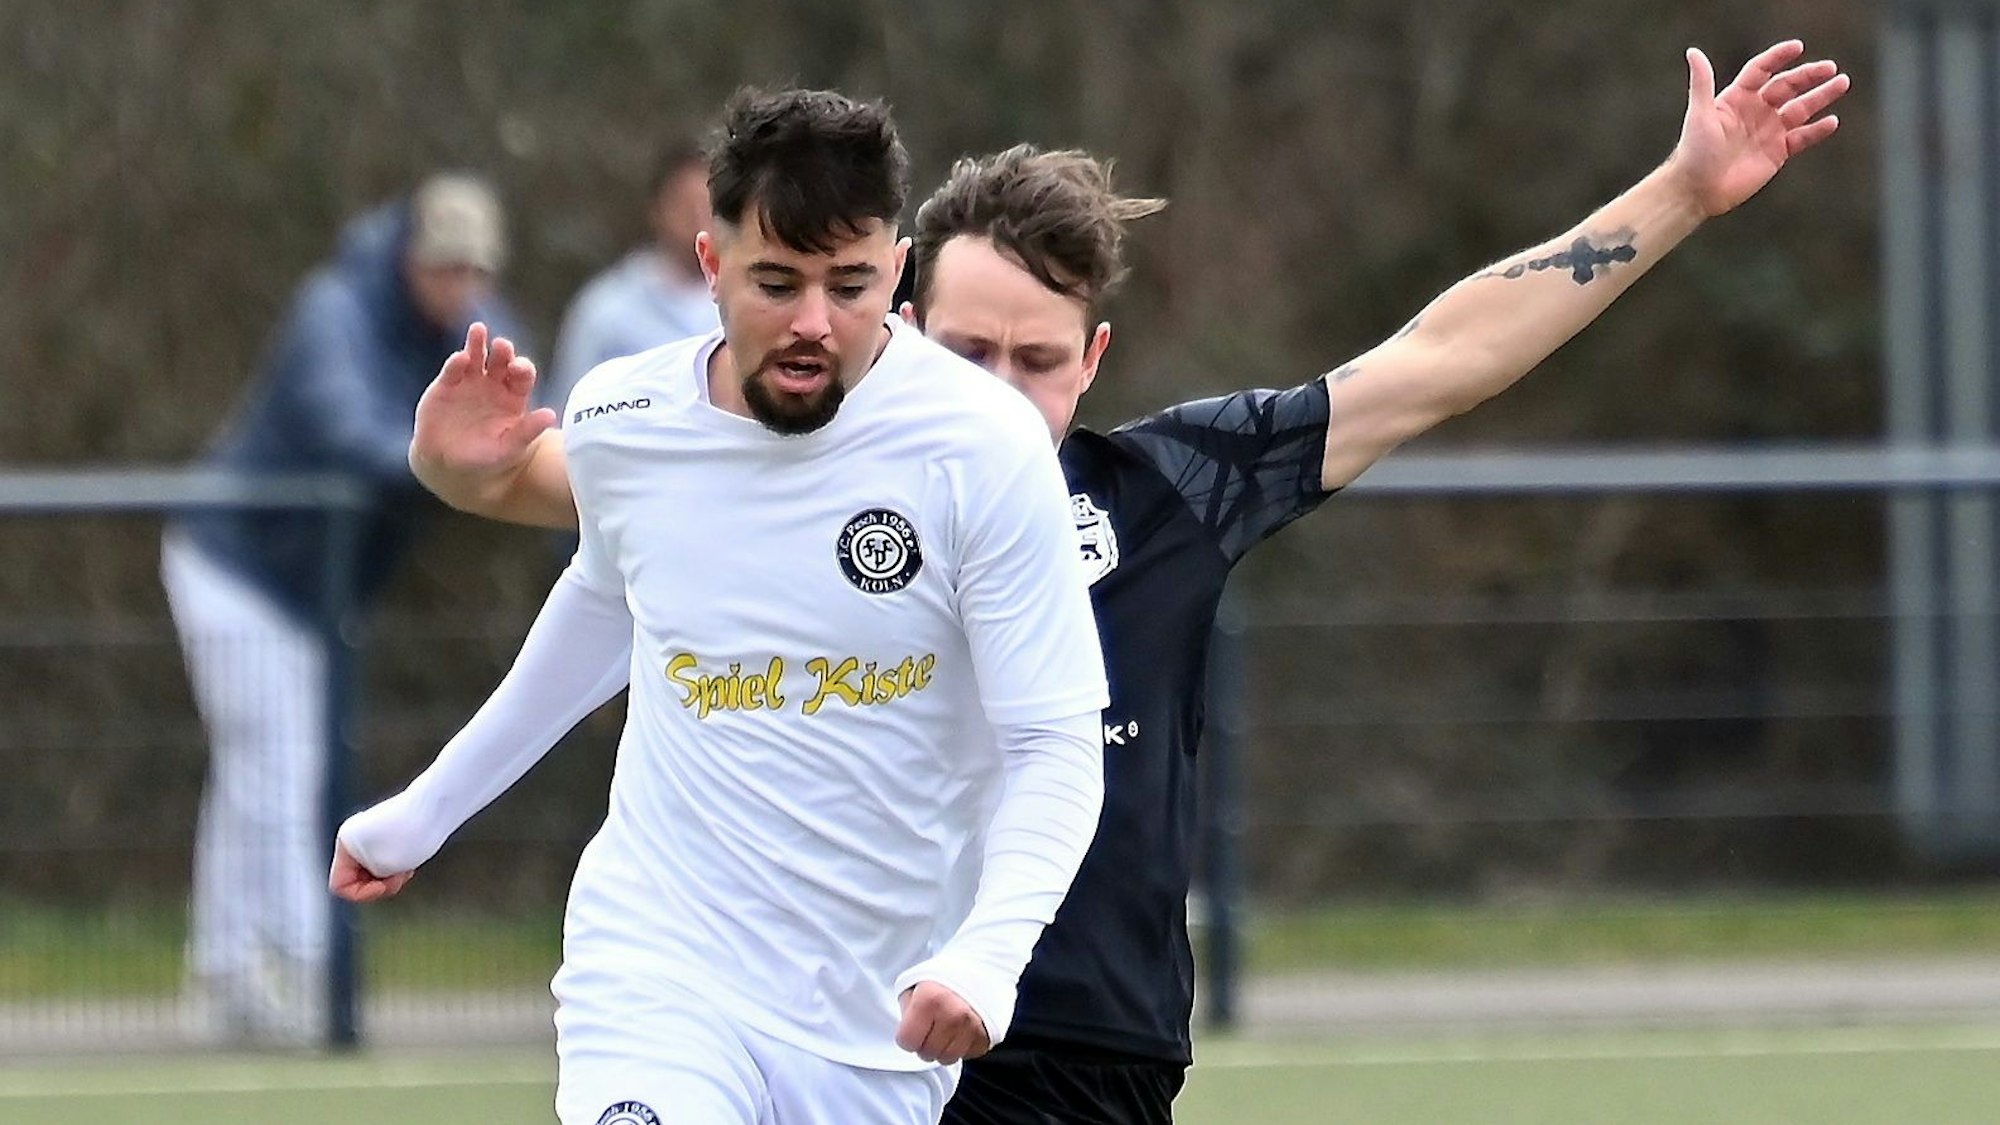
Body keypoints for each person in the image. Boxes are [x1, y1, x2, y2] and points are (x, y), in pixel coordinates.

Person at [400, 40, 1848, 1123]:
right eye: (968, 354)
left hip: (1082, 1048)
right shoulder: (781, 457)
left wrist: (1681, 193)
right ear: (898, 314)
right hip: (837, 1020)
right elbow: (556, 492)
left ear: (1091, 364)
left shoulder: (1172, 493)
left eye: (1039, 362)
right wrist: (458, 469)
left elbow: (1440, 360)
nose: (1003, 392)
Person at [330, 88, 1111, 1125]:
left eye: (849, 286)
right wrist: (426, 811)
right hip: (660, 968)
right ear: (709, 265)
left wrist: (986, 957)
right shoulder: (622, 417)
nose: (811, 325)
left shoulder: (984, 449)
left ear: (894, 271)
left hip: (867, 1034)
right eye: (774, 282)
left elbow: (1055, 742)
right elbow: (606, 607)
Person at [161, 173, 518, 1047]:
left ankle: (226, 976)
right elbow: (348, 430)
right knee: (279, 769)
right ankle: (316, 977)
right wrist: (449, 456)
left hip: (307, 591)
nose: (458, 289)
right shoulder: (335, 309)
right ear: (409, 256)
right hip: (236, 568)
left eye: (473, 272)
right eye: (443, 269)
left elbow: (518, 375)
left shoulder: (467, 321)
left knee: (255, 774)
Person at [544, 134, 721, 414]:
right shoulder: (605, 310)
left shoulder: (745, 303)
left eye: (708, 205)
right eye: (685, 205)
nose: (698, 219)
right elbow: (566, 414)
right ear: (657, 210)